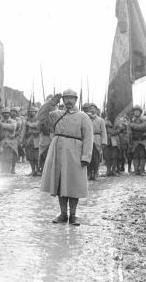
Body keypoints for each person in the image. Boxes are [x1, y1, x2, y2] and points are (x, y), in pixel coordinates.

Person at [37, 90, 93, 226]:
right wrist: (51, 102)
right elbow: (40, 116)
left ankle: (73, 215)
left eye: (71, 98)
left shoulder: (83, 117)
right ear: (62, 100)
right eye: (66, 98)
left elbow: (88, 137)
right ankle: (63, 213)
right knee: (61, 183)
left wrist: (86, 156)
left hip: (75, 152)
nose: (68, 101)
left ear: (76, 100)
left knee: (73, 183)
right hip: (58, 151)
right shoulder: (56, 114)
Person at [84, 103, 107, 180]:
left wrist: (104, 142)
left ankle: (96, 173)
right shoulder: (86, 119)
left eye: (93, 108)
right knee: (88, 157)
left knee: (96, 158)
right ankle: (89, 173)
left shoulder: (100, 120)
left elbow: (103, 132)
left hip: (97, 139)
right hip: (88, 139)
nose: (91, 110)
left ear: (96, 110)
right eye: (90, 108)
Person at [129, 106, 146, 176]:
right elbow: (129, 128)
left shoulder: (145, 118)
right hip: (134, 140)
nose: (136, 112)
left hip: (143, 140)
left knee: (142, 155)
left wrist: (134, 125)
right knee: (135, 155)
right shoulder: (131, 119)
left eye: (138, 111)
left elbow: (144, 126)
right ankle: (136, 170)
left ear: (140, 112)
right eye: (135, 111)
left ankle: (141, 170)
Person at [0, 107, 19, 173]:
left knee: (13, 155)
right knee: (2, 154)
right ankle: (3, 168)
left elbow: (13, 127)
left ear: (9, 114)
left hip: (11, 141)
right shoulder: (0, 121)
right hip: (3, 140)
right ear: (2, 114)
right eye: (4, 113)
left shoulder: (13, 121)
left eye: (7, 113)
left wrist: (3, 125)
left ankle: (13, 168)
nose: (6, 114)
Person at [21, 105, 41, 176]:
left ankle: (38, 170)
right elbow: (23, 131)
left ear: (35, 112)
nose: (31, 113)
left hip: (36, 140)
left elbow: (39, 128)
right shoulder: (26, 120)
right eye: (30, 112)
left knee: (37, 156)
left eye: (32, 112)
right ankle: (33, 170)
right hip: (28, 140)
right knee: (30, 157)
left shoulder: (38, 119)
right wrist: (22, 139)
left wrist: (30, 126)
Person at [38, 94, 56, 172]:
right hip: (45, 138)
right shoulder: (42, 113)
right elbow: (38, 125)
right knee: (44, 155)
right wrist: (42, 126)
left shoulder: (57, 114)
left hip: (54, 137)